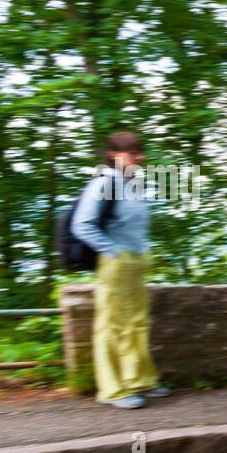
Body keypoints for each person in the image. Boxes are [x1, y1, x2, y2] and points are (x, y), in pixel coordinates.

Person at [70, 131, 169, 410]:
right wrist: (114, 252)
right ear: (114, 155)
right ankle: (112, 390)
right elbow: (82, 224)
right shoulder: (103, 183)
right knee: (112, 325)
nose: (140, 158)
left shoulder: (134, 184)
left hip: (136, 261)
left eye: (141, 152)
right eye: (133, 153)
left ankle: (140, 380)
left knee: (137, 322)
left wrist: (141, 251)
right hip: (115, 263)